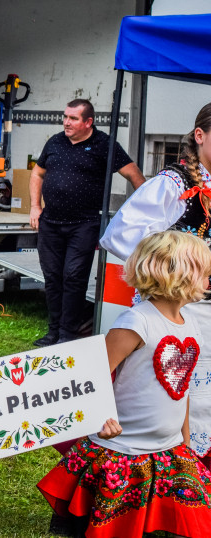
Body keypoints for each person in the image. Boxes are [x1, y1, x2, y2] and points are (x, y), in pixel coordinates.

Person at [38, 230, 211, 538]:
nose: (208, 279)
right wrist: (99, 418)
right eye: (204, 272)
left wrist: (184, 439)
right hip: (123, 448)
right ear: (176, 273)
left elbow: (180, 387)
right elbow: (94, 377)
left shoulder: (192, 325)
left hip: (168, 448)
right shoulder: (137, 322)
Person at [100, 102, 211, 469]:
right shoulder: (173, 183)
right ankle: (164, 462)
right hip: (171, 309)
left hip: (202, 310)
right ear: (200, 135)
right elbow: (121, 234)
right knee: (168, 390)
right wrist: (170, 271)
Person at [30, 99, 145, 347]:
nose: (66, 122)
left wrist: (143, 212)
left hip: (84, 224)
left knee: (73, 276)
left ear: (88, 122)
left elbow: (134, 175)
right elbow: (38, 173)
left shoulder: (104, 144)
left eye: (73, 118)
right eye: (65, 117)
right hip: (50, 223)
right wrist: (34, 206)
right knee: (52, 277)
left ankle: (68, 334)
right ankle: (53, 332)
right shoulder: (55, 142)